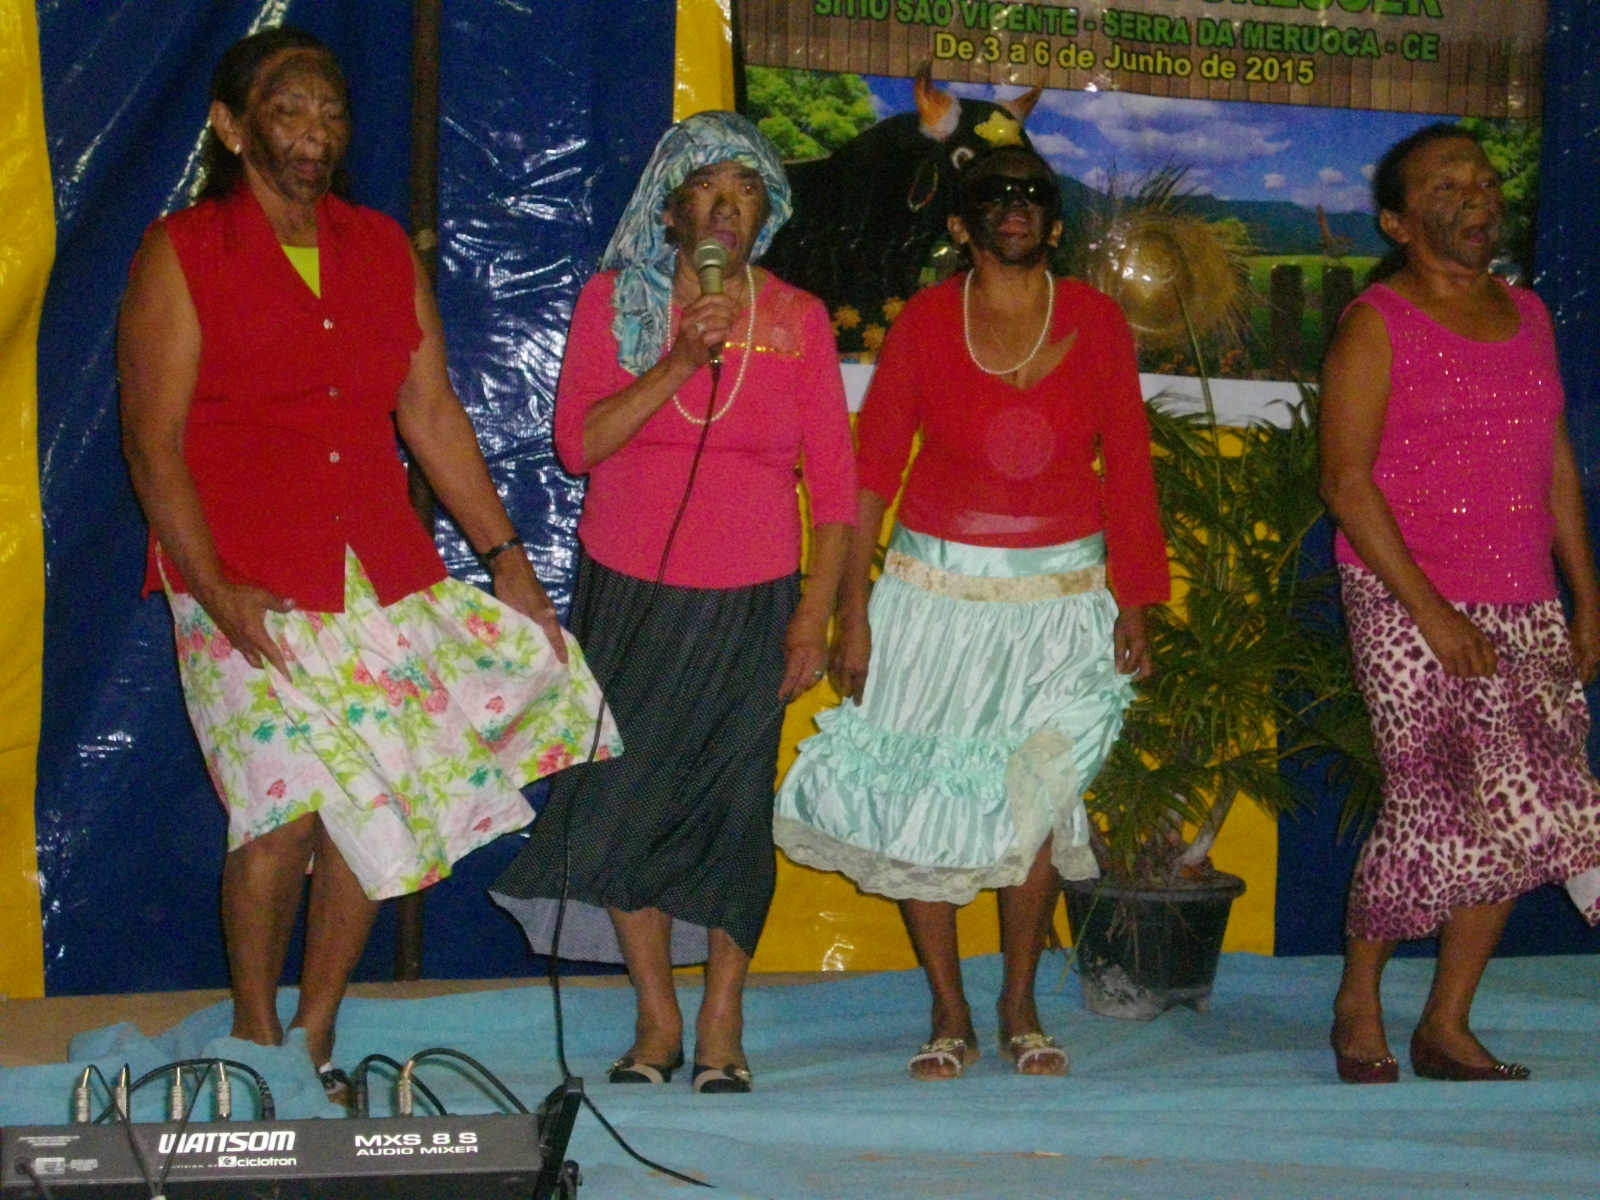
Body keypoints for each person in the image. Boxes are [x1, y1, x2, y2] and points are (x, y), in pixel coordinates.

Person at [118, 27, 618, 1099]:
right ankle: (256, 1049)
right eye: (289, 109)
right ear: (231, 126)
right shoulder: (183, 252)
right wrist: (215, 591)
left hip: (372, 570)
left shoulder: (379, 247)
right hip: (239, 573)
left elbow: (429, 410)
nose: (316, 132)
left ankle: (313, 1039)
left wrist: (507, 558)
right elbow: (152, 445)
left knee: (374, 805)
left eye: (332, 112)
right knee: (282, 811)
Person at [773, 144, 1169, 1080]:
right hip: (931, 596)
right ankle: (949, 1009)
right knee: (924, 802)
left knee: (1034, 804)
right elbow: (872, 474)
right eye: (994, 193)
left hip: (1062, 603)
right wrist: (852, 611)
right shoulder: (923, 320)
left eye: (1034, 193)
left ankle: (1019, 1003)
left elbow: (1129, 465)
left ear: (1056, 222)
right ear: (961, 222)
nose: (1016, 205)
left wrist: (1138, 599)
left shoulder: (1096, 321)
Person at [489, 112, 856, 1094]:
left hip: (752, 604)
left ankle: (722, 1018)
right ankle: (656, 1019)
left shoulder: (799, 319)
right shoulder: (612, 305)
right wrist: (679, 360)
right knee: (623, 805)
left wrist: (814, 616)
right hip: (630, 595)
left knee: (731, 812)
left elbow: (836, 489)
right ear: (669, 209)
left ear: (768, 213)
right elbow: (579, 446)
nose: (726, 207)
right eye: (706, 188)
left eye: (747, 189)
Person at [1320, 123, 1600, 1084]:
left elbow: (1553, 462)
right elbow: (1346, 483)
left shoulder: (1530, 315)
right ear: (1398, 223)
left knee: (1527, 813)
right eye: (1447, 184)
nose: (1476, 193)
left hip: (1523, 595)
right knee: (1433, 807)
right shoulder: (1376, 323)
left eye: (1483, 179)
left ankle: (1445, 1023)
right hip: (1405, 596)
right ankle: (1359, 997)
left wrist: (1586, 596)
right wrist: (1435, 617)